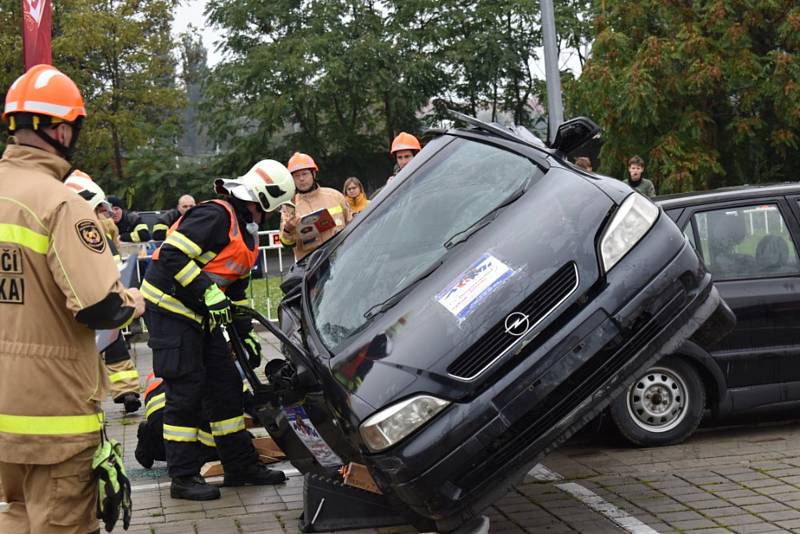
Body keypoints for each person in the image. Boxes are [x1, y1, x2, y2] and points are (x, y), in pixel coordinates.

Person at [0, 64, 145, 534]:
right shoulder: (61, 203)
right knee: (61, 523)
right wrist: (135, 299)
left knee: (18, 516)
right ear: (61, 128)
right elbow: (102, 306)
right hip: (54, 412)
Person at [141, 159, 295, 501]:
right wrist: (206, 292)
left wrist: (247, 336)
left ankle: (240, 466)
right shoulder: (216, 215)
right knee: (186, 392)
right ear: (263, 199)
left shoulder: (246, 232)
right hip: (171, 310)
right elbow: (172, 256)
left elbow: (235, 293)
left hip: (202, 317)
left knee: (225, 386)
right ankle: (183, 477)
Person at [65, 170, 143, 413]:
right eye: (99, 209)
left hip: (81, 303)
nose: (103, 214)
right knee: (110, 343)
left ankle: (122, 391)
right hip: (97, 301)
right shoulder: (92, 233)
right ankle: (124, 390)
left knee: (104, 343)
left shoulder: (76, 232)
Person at [279, 152, 352, 264]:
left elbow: (352, 224)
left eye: (305, 174)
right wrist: (288, 229)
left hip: (341, 259)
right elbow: (286, 243)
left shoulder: (335, 196)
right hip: (311, 266)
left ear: (314, 174)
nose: (301, 179)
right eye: (296, 176)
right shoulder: (290, 207)